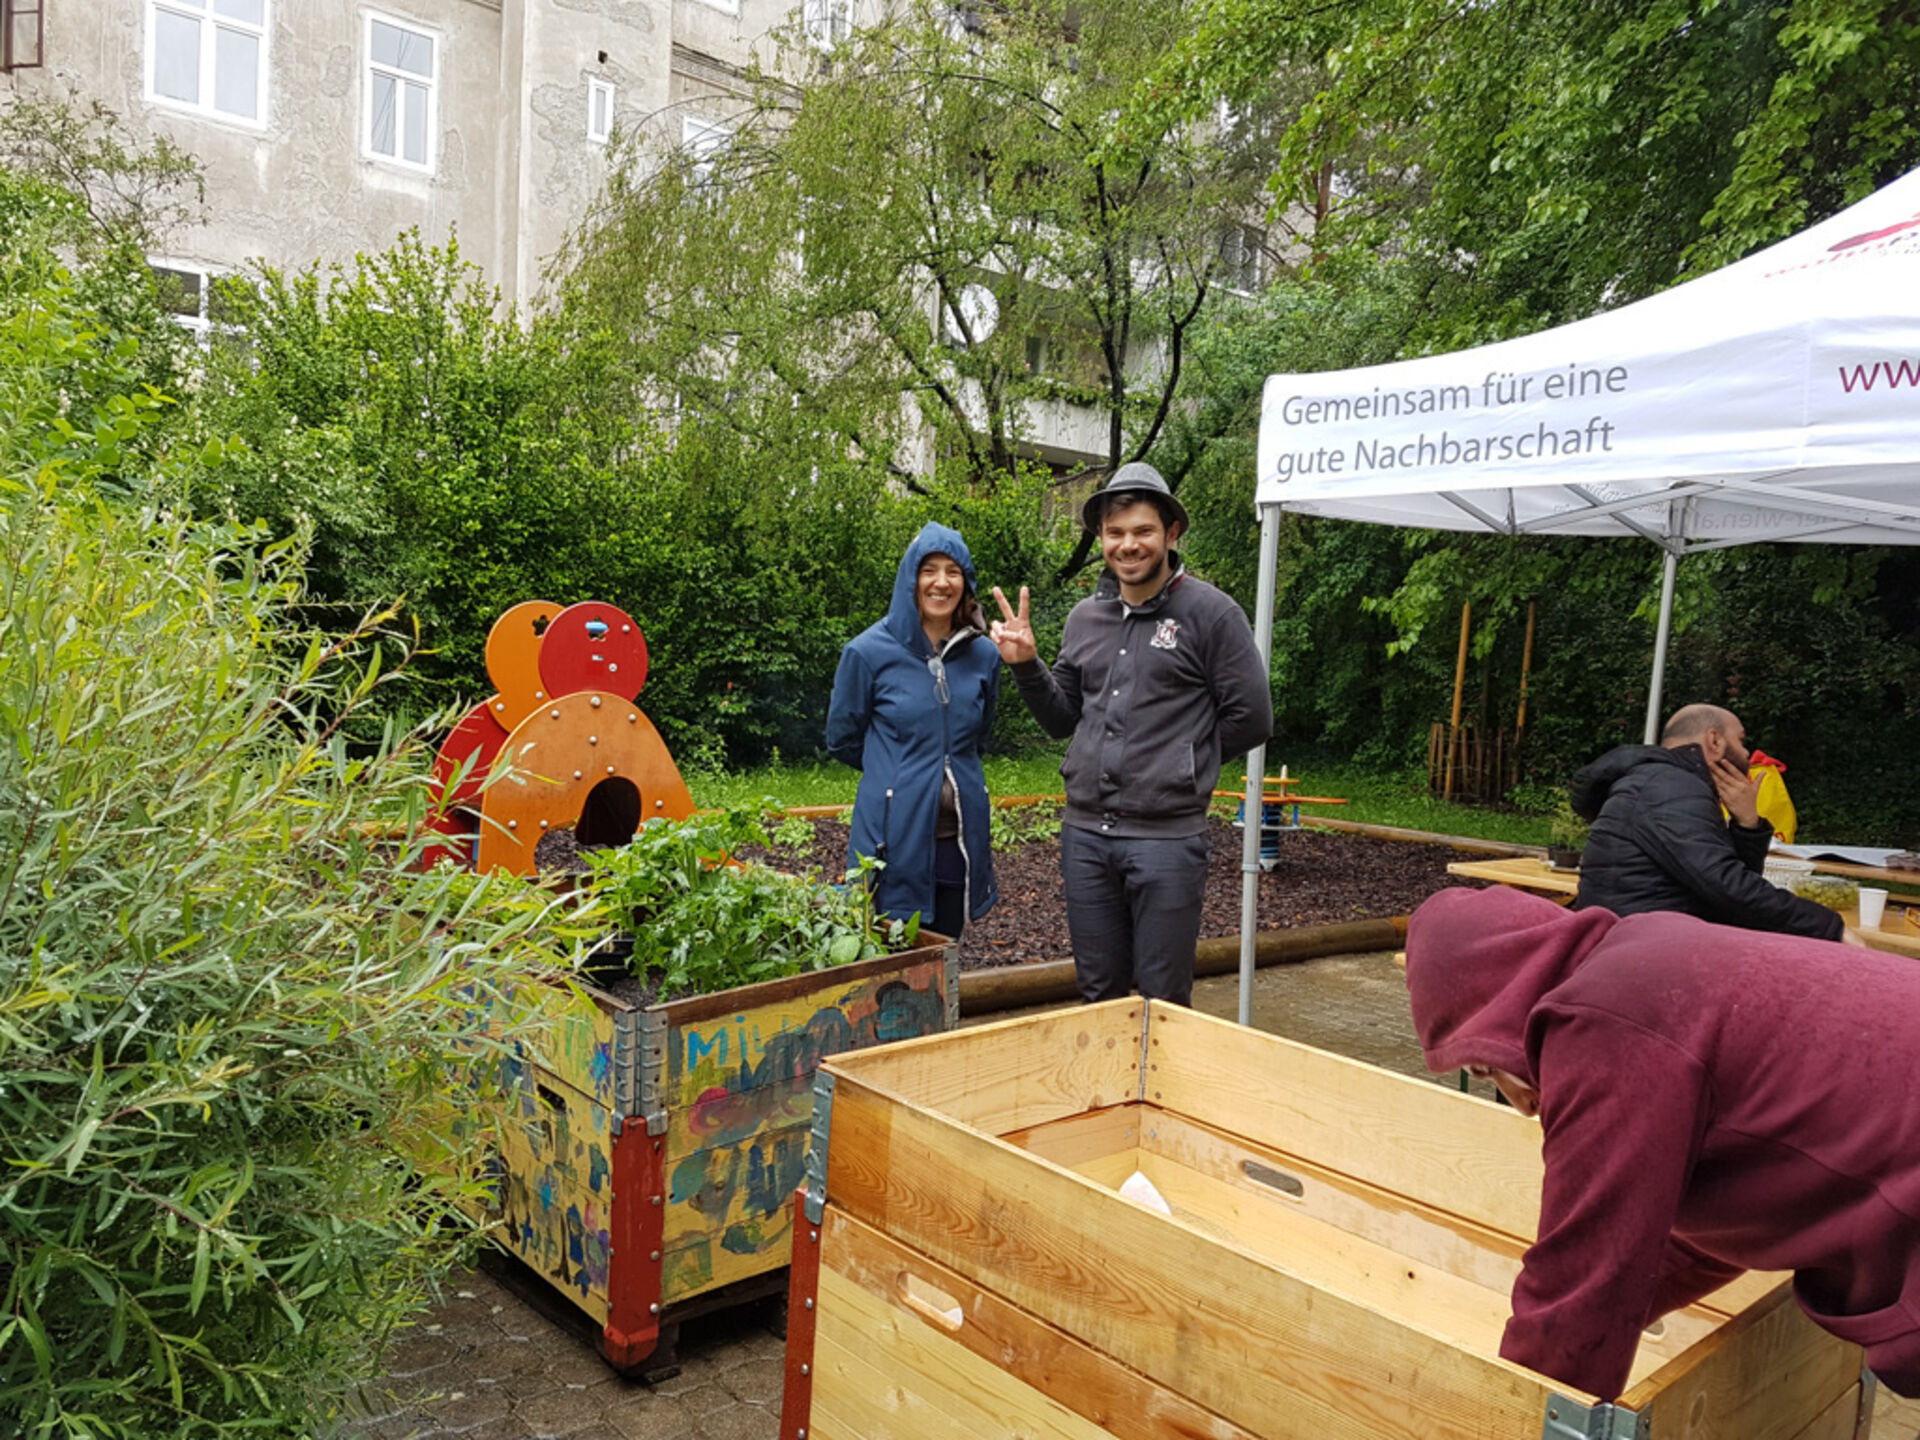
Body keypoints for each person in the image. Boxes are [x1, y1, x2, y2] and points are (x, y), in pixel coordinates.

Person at [1405, 884, 1920, 1403]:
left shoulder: (1603, 1024)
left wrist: (1516, 1410)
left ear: (1504, 1002)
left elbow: (1585, 1276)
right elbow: (1688, 1232)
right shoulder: (1649, 953)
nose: (1519, 1103)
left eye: (1485, 1065)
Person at [988, 462, 1271, 1005]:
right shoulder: (1085, 618)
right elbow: (1061, 717)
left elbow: (1252, 718)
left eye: (1142, 531)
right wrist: (1026, 665)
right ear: (1101, 539)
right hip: (1086, 838)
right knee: (1098, 992)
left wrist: (1181, 762)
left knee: (1163, 998)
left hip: (1167, 841)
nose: (1128, 545)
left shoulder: (1213, 615)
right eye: (1115, 533)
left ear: (1171, 533)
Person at [826, 521, 998, 939]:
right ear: (910, 578)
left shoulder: (985, 655)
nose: (941, 583)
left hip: (956, 841)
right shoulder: (867, 653)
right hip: (891, 839)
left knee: (945, 956)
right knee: (888, 959)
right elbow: (842, 737)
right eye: (929, 570)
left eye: (953, 571)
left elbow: (981, 732)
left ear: (966, 581)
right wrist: (896, 776)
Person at [1571, 702, 1853, 942]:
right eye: (1741, 740)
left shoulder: (1665, 782)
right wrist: (1832, 929)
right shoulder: (1670, 787)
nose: (1746, 754)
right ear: (1715, 741)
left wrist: (1747, 824)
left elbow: (1725, 891)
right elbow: (1728, 888)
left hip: (1643, 941)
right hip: (1639, 955)